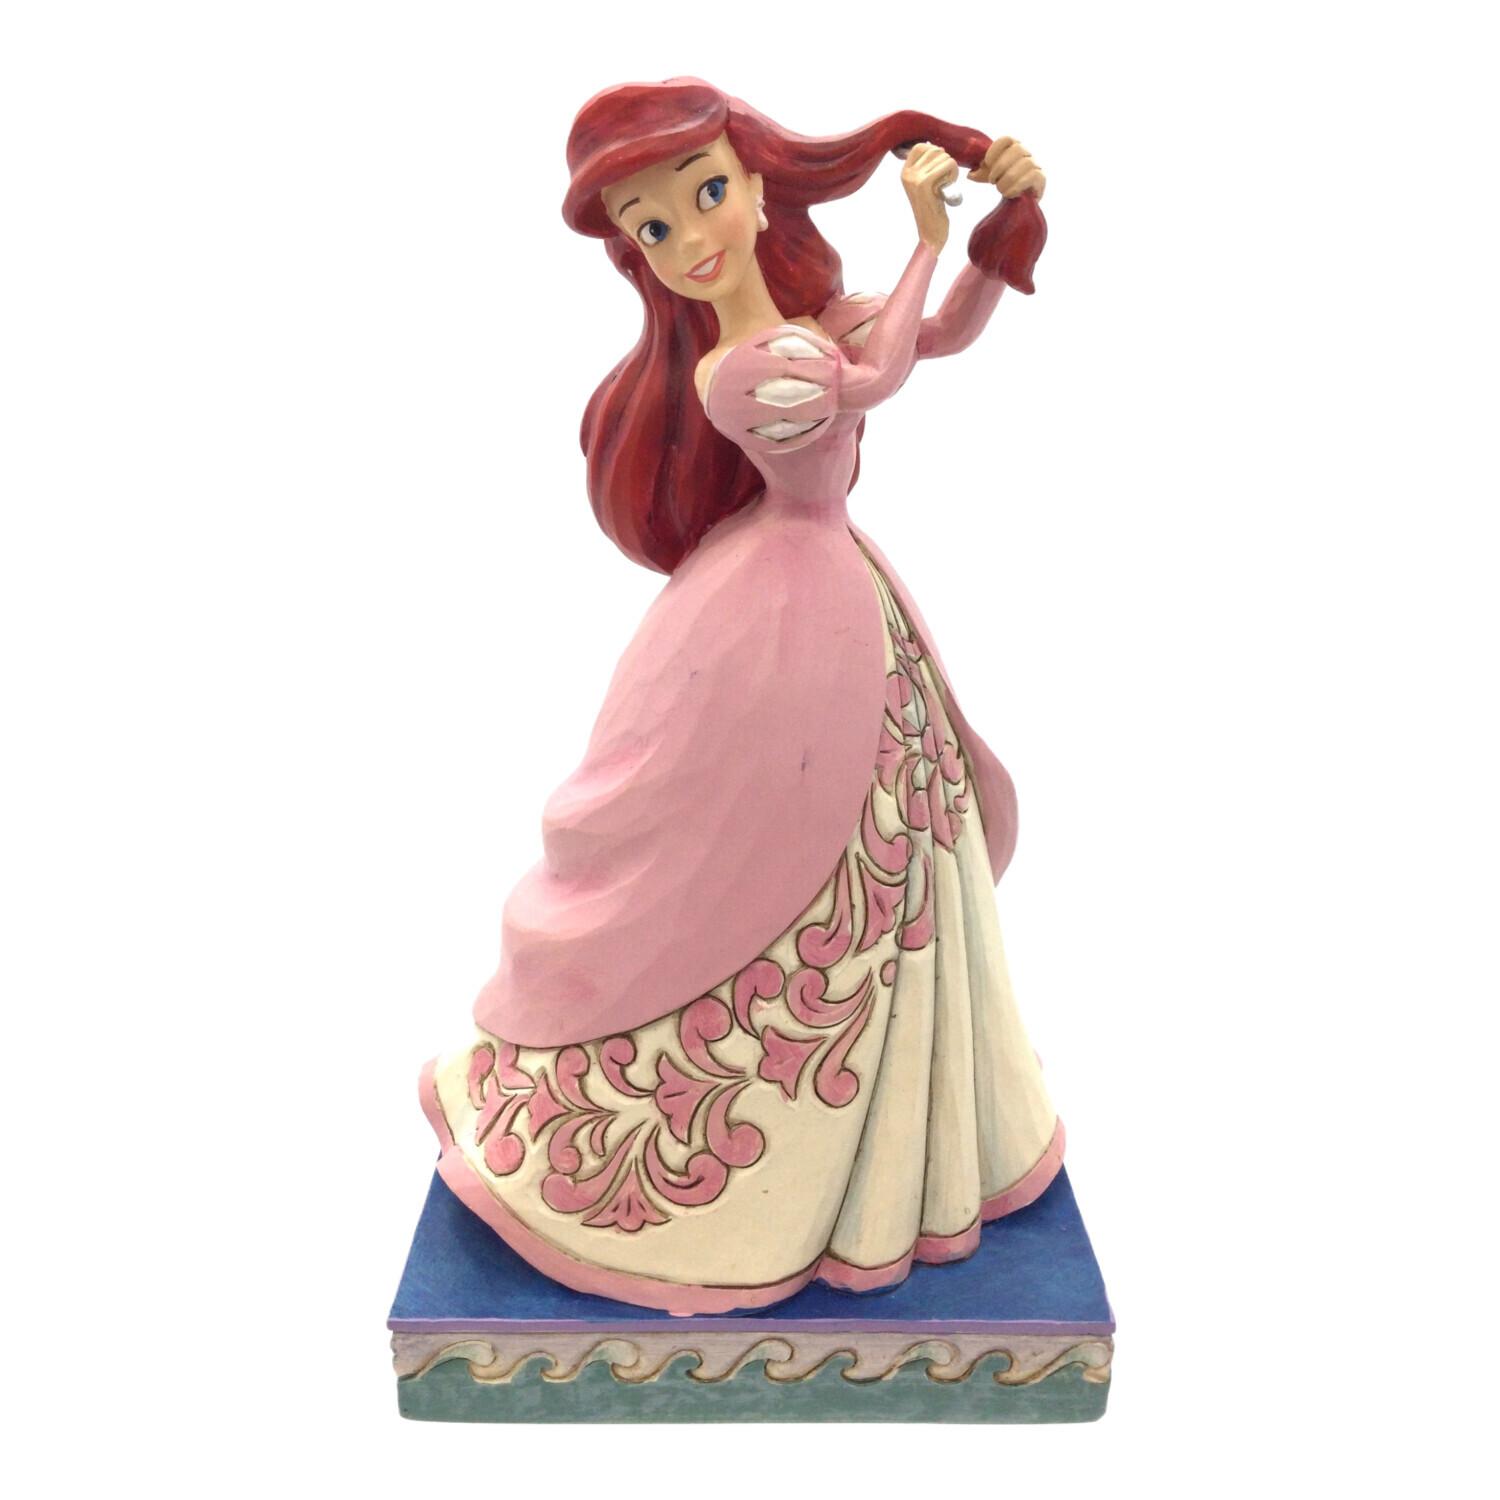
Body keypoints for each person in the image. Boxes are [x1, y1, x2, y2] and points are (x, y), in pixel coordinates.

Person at [419, 78, 1064, 1315]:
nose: (692, 239)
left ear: (760, 189)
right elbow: (872, 379)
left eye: (707, 194)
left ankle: (883, 1135)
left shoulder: (811, 323)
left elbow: (932, 337)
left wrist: (998, 233)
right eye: (655, 228)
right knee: (716, 856)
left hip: (833, 602)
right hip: (767, 627)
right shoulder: (737, 371)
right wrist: (927, 236)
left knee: (884, 850)